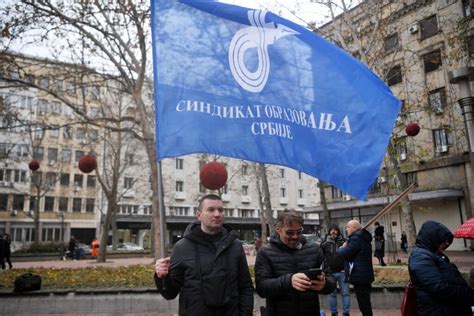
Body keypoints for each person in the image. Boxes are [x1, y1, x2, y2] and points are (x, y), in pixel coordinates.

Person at [154, 194, 254, 316]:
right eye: (211, 210)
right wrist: (162, 276)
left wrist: (245, 314)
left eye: (221, 210)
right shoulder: (182, 247)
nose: (217, 214)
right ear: (199, 215)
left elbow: (245, 287)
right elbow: (170, 293)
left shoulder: (235, 246)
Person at [255, 209, 336, 316]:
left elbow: (331, 279)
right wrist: (288, 281)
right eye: (290, 232)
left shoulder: (314, 249)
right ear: (278, 229)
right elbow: (262, 288)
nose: (295, 236)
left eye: (299, 232)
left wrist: (324, 284)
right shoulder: (265, 252)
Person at [408, 220, 474, 315]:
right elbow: (438, 287)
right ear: (433, 238)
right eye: (443, 239)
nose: (447, 243)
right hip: (438, 311)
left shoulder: (434, 255)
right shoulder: (420, 257)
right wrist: (469, 295)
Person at [337, 220, 374, 316]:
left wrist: (342, 247)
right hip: (365, 275)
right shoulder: (363, 238)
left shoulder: (356, 239)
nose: (346, 229)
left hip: (359, 276)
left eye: (348, 227)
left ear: (354, 228)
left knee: (364, 304)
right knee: (365, 302)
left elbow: (344, 253)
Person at [321, 224, 350, 316]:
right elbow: (320, 258)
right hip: (330, 273)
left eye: (335, 230)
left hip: (342, 272)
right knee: (331, 294)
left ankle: (346, 313)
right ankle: (334, 313)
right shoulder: (324, 243)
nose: (333, 231)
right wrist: (324, 270)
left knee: (345, 294)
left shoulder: (344, 242)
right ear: (329, 232)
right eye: (331, 230)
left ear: (338, 231)